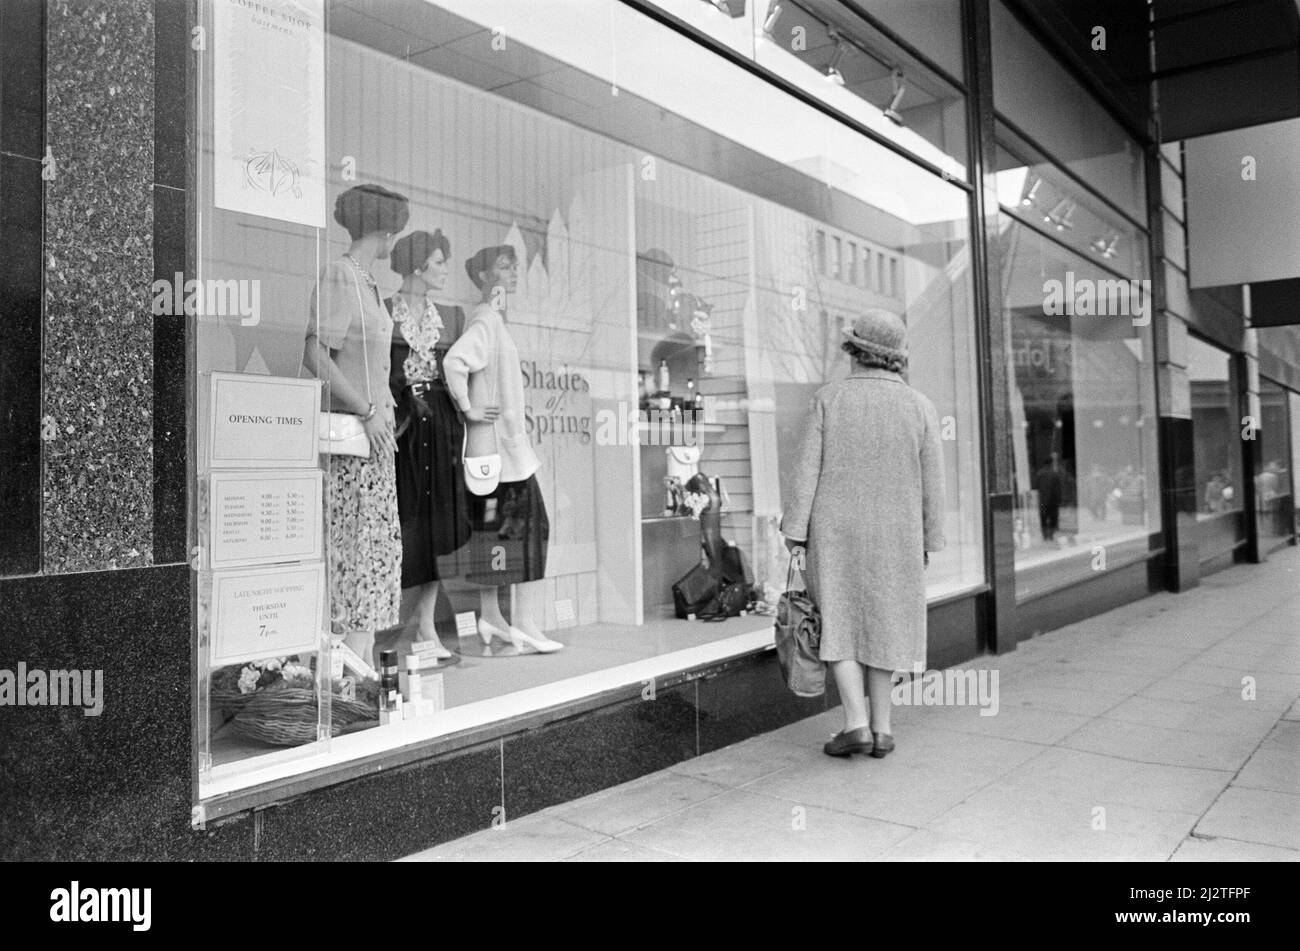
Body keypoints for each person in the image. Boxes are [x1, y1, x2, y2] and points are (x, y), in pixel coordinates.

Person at [780, 309, 946, 758]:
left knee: (840, 621)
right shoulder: (921, 407)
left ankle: (855, 723)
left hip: (834, 532)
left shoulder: (828, 400)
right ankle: (883, 728)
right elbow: (934, 484)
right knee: (886, 623)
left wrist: (794, 532)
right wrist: (930, 540)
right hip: (898, 533)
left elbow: (804, 475)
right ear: (895, 358)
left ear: (854, 351)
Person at [304, 183, 408, 665]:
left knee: (371, 561)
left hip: (375, 443)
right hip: (351, 443)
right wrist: (366, 409)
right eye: (394, 232)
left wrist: (383, 411)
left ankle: (358, 672)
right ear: (385, 231)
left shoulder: (367, 282)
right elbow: (315, 355)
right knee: (354, 559)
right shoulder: (341, 276)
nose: (394, 243)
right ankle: (347, 674)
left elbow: (374, 364)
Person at [444, 245, 562, 653]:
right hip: (499, 453)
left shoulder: (492, 320)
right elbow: (454, 363)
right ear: (482, 276)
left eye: (514, 266)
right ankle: (524, 623)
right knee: (531, 528)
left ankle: (492, 617)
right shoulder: (486, 320)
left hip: (500, 452)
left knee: (495, 534)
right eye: (503, 267)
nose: (512, 273)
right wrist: (468, 409)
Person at [386, 229, 470, 659]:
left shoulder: (451, 318)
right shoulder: (384, 312)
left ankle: (426, 626)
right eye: (438, 262)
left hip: (440, 431)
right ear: (417, 265)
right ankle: (399, 627)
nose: (444, 270)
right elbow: (379, 371)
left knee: (439, 525)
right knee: (406, 523)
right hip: (403, 431)